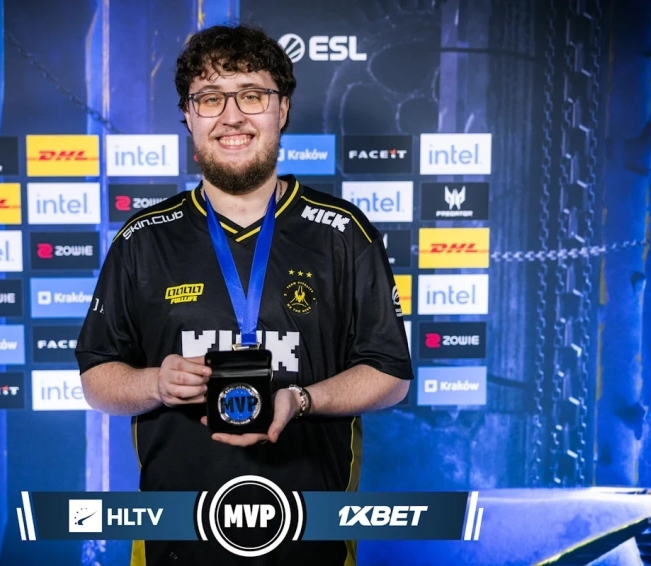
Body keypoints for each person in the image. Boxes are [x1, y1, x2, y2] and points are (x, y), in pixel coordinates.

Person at [75, 23, 414, 566]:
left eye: (252, 95)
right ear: (188, 116)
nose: (232, 116)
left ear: (282, 109)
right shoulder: (143, 239)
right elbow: (97, 379)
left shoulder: (344, 233)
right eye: (210, 98)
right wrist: (155, 382)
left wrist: (302, 399)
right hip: (175, 545)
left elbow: (390, 374)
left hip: (313, 545)